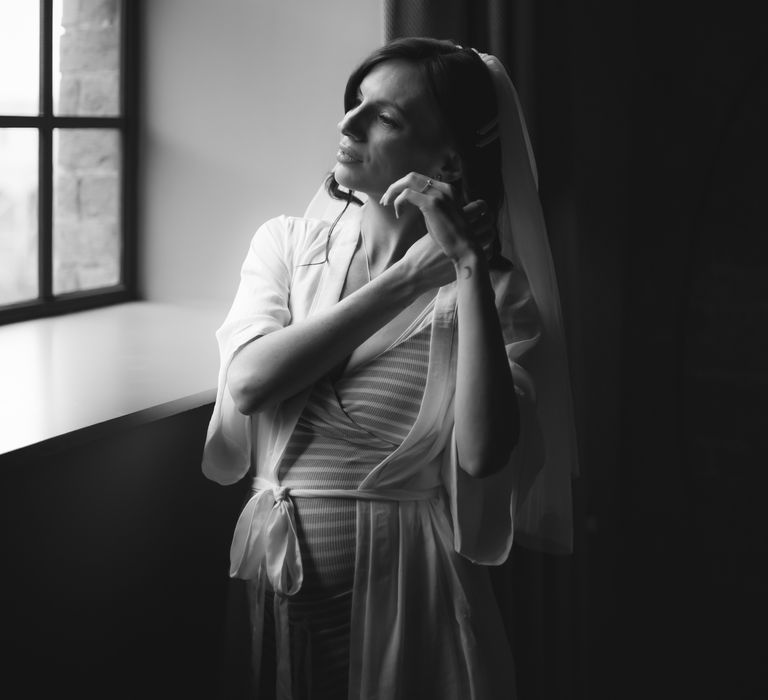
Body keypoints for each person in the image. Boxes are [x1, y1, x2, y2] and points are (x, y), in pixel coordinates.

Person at [202, 37, 578, 700]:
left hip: (412, 594)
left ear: (449, 158)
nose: (347, 124)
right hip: (277, 583)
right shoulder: (287, 245)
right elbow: (251, 383)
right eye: (355, 104)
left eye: (386, 118)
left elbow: (486, 453)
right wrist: (406, 279)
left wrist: (462, 267)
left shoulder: (491, 295)